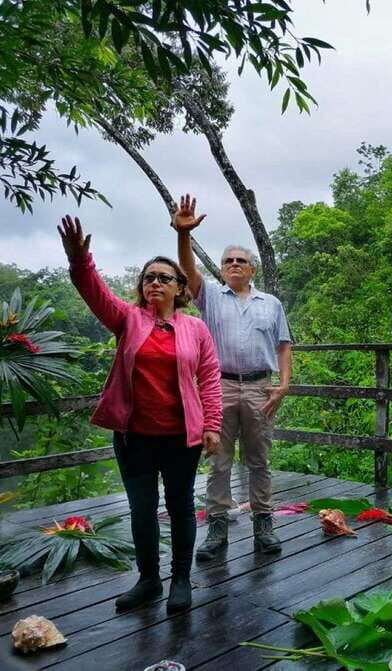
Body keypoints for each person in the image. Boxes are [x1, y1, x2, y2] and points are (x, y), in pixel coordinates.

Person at [58, 215, 222, 614]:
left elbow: (210, 377)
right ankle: (149, 580)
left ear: (180, 288)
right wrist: (81, 261)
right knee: (142, 509)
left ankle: (180, 579)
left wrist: (213, 426)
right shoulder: (128, 320)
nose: (155, 283)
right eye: (149, 277)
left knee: (182, 505)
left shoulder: (195, 329)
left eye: (164, 278)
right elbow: (93, 292)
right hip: (135, 437)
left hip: (181, 436)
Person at [173, 195, 293, 559]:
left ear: (251, 269)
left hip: (259, 387)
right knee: (219, 461)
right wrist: (184, 235)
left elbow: (284, 345)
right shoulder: (209, 297)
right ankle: (217, 530)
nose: (235, 265)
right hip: (218, 386)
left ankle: (264, 525)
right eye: (229, 261)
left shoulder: (270, 303)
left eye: (241, 261)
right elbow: (187, 271)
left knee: (259, 460)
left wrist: (284, 385)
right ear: (222, 269)